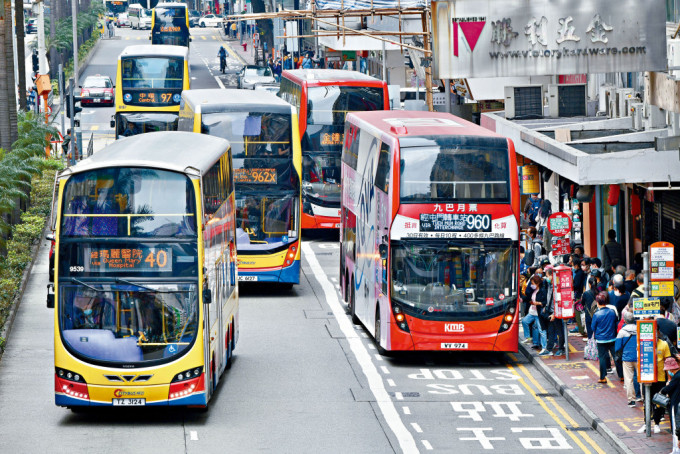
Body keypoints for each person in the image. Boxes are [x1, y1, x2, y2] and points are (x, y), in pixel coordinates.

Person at [637, 323, 673, 434]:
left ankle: (657, 423)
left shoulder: (664, 344)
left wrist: (669, 379)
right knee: (647, 402)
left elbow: (668, 362)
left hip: (661, 379)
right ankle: (646, 422)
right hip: (647, 378)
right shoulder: (642, 344)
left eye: (655, 331)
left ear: (658, 331)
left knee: (659, 402)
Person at [590, 291, 622, 384]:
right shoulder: (612, 312)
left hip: (601, 340)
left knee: (602, 358)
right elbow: (616, 322)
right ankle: (621, 375)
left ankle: (603, 377)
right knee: (616, 357)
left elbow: (593, 327)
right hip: (612, 338)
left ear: (598, 303)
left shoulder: (596, 314)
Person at [521, 274, 549, 355]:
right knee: (525, 321)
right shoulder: (534, 290)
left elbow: (545, 302)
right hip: (532, 312)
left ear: (537, 283)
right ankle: (529, 338)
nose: (531, 285)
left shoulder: (542, 291)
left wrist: (537, 303)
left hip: (538, 313)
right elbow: (528, 295)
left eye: (532, 283)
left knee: (541, 330)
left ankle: (544, 348)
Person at [615, 311, 639, 406]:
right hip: (639, 357)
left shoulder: (622, 332)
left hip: (627, 358)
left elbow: (617, 347)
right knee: (641, 379)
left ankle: (631, 400)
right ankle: (642, 397)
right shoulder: (640, 329)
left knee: (629, 379)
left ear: (624, 320)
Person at [543, 266, 566, 357]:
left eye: (548, 276)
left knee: (559, 331)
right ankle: (549, 349)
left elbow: (557, 301)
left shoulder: (556, 287)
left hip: (556, 312)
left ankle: (561, 349)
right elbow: (549, 299)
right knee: (551, 330)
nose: (547, 278)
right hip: (551, 311)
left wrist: (554, 313)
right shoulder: (549, 285)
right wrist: (546, 307)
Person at [661, 357, 680, 453]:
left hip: (676, 404)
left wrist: (664, 389)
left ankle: (676, 449)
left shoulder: (676, 377)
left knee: (676, 427)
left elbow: (667, 389)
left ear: (671, 369)